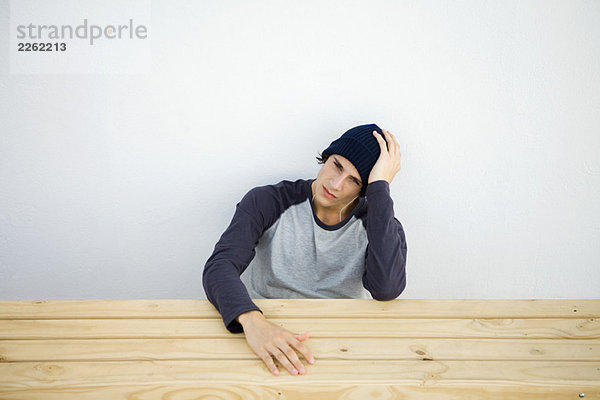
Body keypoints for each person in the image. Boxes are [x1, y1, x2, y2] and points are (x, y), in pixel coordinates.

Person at [202, 123, 407, 377]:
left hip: (343, 338)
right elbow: (220, 266)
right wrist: (252, 321)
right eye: (337, 165)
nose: (335, 184)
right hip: (264, 323)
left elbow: (386, 289)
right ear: (326, 157)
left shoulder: (379, 222)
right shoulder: (268, 200)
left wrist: (379, 189)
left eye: (354, 181)